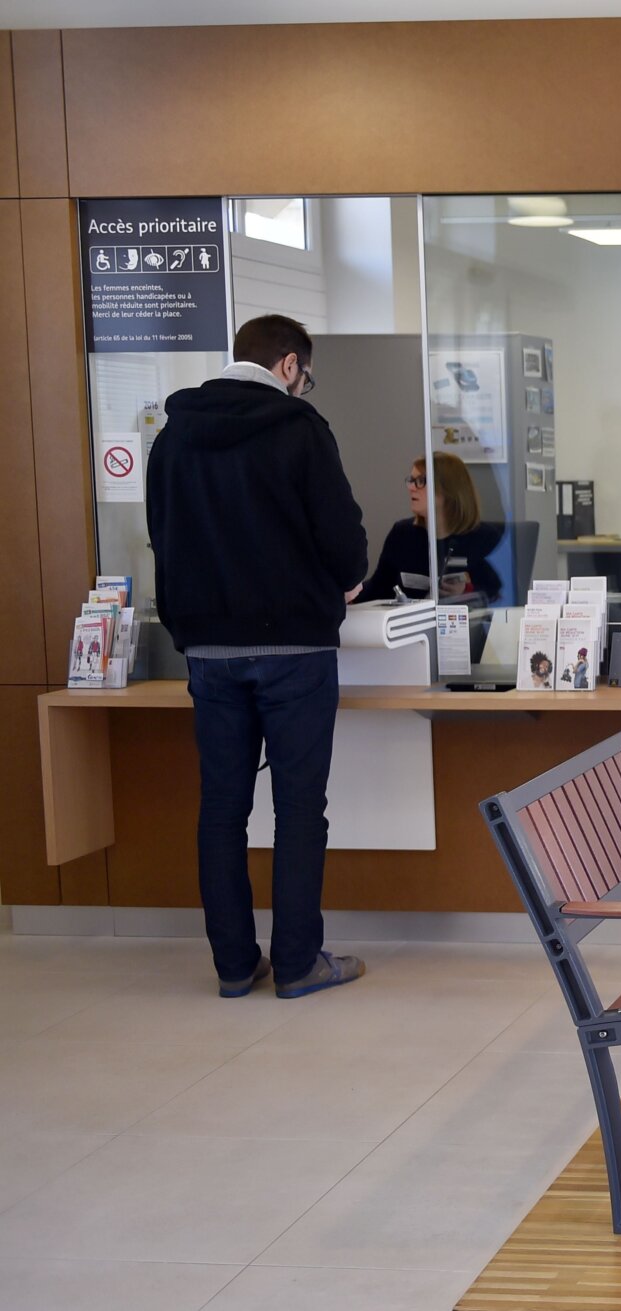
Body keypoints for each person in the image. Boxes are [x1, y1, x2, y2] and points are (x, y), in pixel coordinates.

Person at [146, 314, 371, 1001]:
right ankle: (299, 962)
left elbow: (161, 534)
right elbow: (341, 534)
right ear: (289, 365)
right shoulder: (300, 429)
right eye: (305, 374)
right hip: (295, 650)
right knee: (300, 808)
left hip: (209, 651)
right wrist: (346, 578)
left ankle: (234, 966)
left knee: (222, 808)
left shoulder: (172, 437)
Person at [360, 452, 503, 603]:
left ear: (448, 489)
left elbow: (497, 592)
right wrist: (345, 594)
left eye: (421, 481)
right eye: (411, 480)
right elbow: (379, 587)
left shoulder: (483, 537)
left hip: (464, 622)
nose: (412, 488)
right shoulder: (402, 533)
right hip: (410, 622)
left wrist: (466, 592)